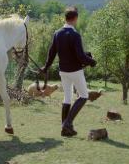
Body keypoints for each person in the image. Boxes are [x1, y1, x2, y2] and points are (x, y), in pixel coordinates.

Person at [41, 7, 97, 137]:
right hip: (75, 71)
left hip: (63, 71)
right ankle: (67, 124)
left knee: (67, 98)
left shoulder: (57, 33)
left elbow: (51, 53)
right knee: (83, 96)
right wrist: (92, 62)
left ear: (65, 18)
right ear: (75, 19)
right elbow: (80, 57)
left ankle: (64, 130)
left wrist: (46, 67)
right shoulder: (75, 35)